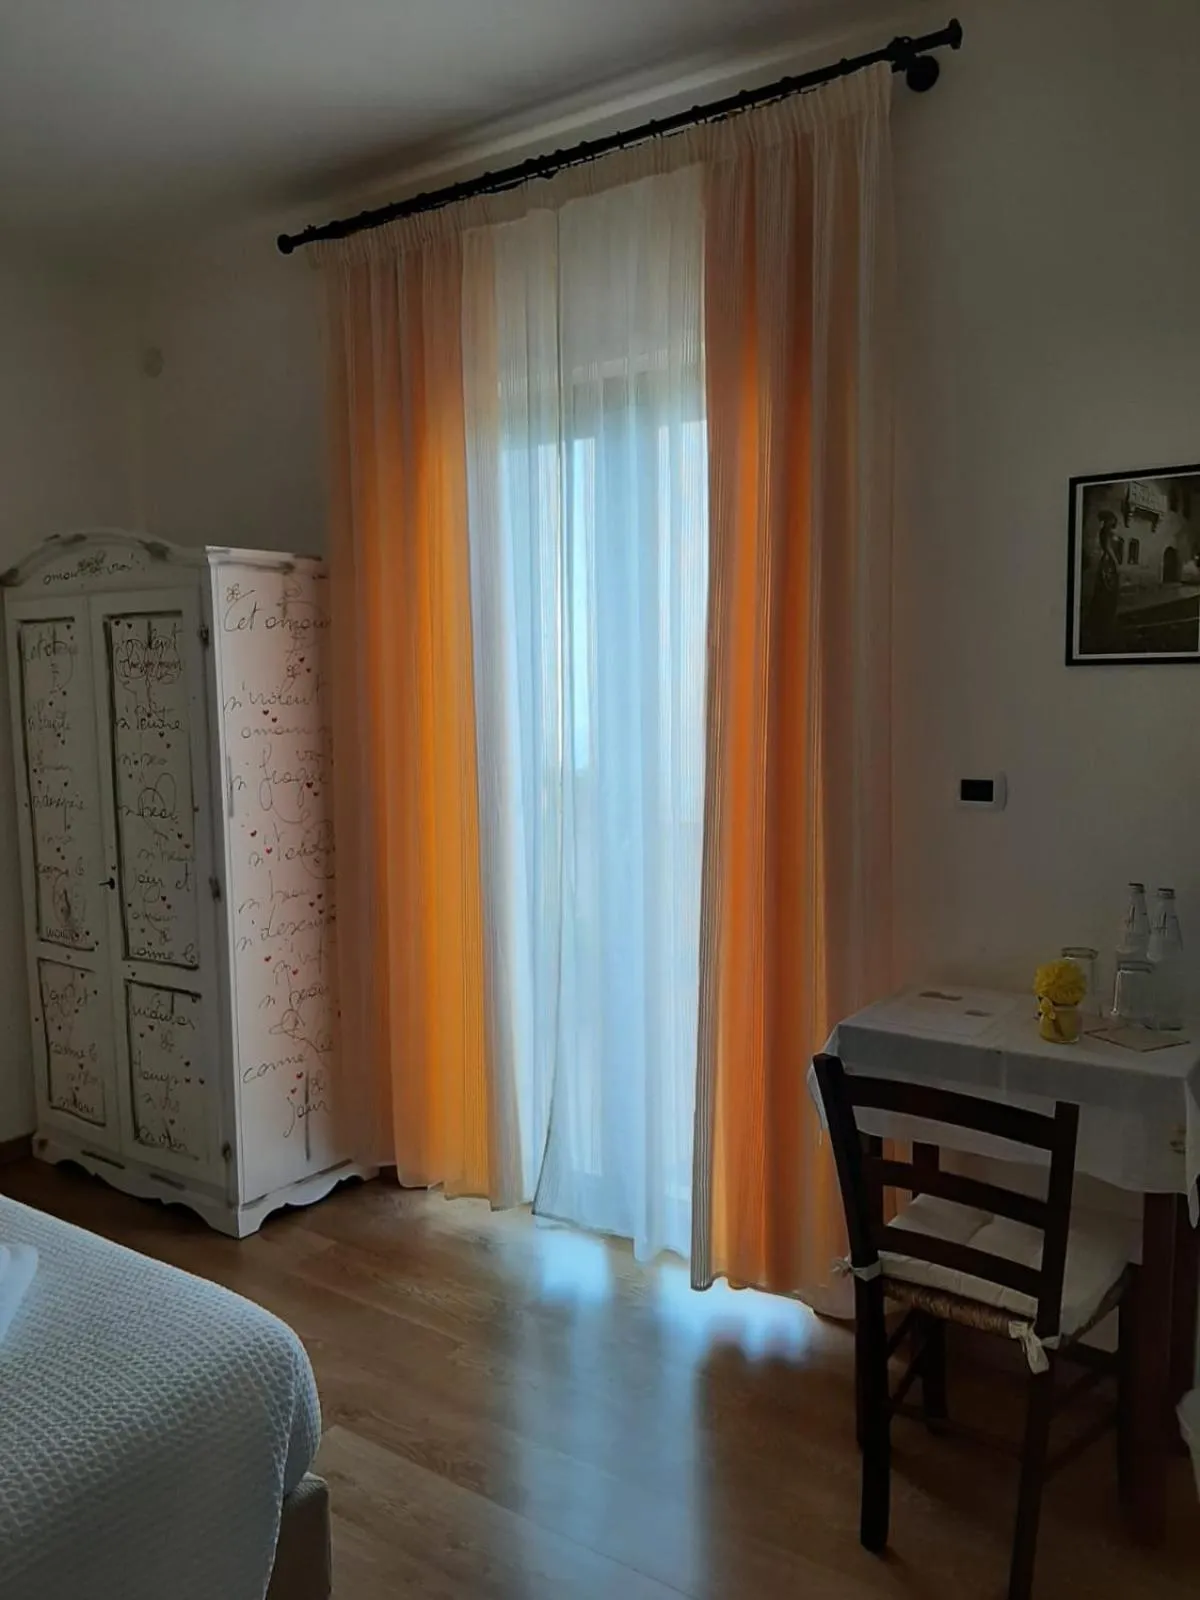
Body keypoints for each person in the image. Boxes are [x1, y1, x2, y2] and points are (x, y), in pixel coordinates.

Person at [1084, 510, 1121, 653]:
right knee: (1108, 588)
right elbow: (1108, 548)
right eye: (1111, 519)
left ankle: (1103, 617)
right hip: (1108, 562)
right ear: (1108, 520)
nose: (1113, 521)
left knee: (1107, 589)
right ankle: (1103, 619)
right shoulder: (1106, 531)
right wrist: (1116, 563)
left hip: (1107, 562)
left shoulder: (1107, 530)